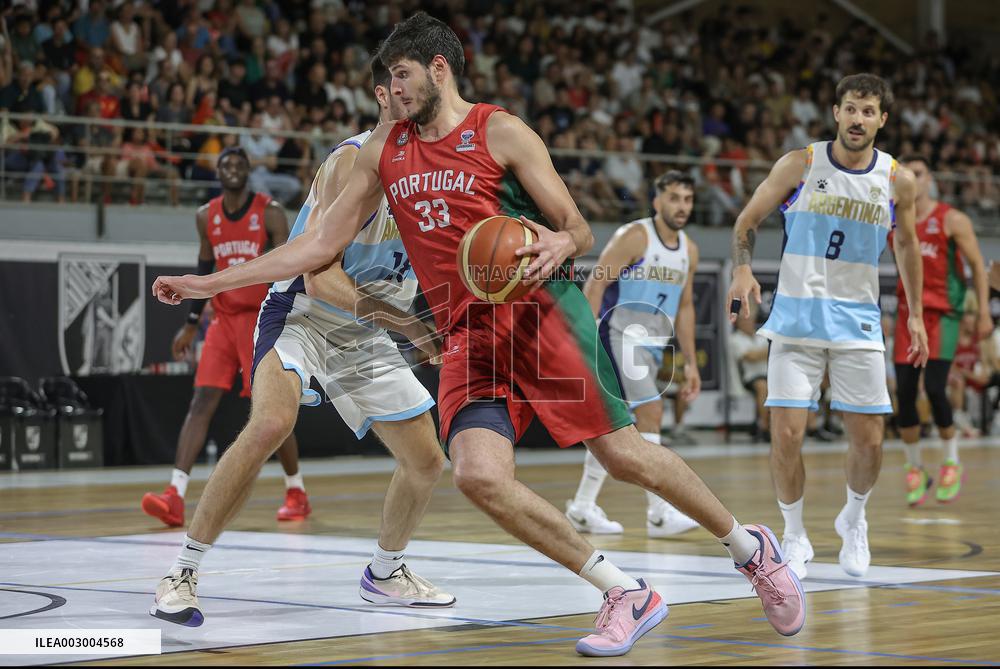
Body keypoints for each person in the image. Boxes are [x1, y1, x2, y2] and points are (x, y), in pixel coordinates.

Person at [153, 13, 804, 656]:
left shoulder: (501, 131)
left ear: (439, 69)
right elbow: (317, 248)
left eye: (402, 75)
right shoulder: (381, 153)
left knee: (623, 456)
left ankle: (750, 549)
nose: (394, 91)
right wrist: (211, 283)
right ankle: (622, 590)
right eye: (387, 80)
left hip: (540, 310)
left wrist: (559, 241)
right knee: (475, 473)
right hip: (465, 329)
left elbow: (576, 228)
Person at [148, 57, 453, 628]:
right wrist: (409, 325)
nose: (412, 98)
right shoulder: (352, 162)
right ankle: (182, 570)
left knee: (426, 461)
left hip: (368, 328)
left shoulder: (439, 171)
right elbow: (321, 277)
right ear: (381, 96)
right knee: (269, 423)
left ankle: (386, 573)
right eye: (400, 86)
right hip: (306, 314)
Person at [727, 73, 930, 581]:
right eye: (850, 108)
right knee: (787, 436)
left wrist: (918, 314)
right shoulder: (800, 163)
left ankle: (853, 519)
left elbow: (905, 246)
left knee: (870, 441)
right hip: (795, 319)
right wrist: (742, 267)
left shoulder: (897, 180)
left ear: (883, 119)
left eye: (868, 111)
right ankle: (793, 534)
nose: (858, 119)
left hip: (856, 322)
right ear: (836, 112)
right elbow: (746, 220)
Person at [140, 147, 310, 528]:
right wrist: (190, 322)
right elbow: (204, 264)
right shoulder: (206, 216)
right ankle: (175, 494)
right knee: (201, 400)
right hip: (223, 318)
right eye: (225, 164)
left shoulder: (270, 212)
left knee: (273, 411)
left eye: (238, 164)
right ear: (217, 172)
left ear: (248, 172)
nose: (232, 169)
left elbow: (289, 263)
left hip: (261, 317)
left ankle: (296, 490)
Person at [564, 170, 701, 538]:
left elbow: (685, 308)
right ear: (657, 201)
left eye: (687, 199)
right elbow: (596, 284)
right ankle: (659, 514)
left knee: (611, 424)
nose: (681, 206)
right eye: (674, 198)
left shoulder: (689, 250)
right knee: (651, 411)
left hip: (651, 342)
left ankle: (581, 506)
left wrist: (688, 361)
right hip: (617, 332)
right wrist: (586, 342)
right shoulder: (635, 235)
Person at [892, 155, 991, 506]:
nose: (912, 179)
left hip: (943, 315)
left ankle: (952, 459)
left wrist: (980, 312)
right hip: (907, 313)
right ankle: (915, 468)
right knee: (904, 393)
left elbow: (979, 265)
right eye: (906, 174)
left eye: (918, 173)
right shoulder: (894, 219)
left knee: (935, 388)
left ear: (929, 178)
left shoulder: (951, 219)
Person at [730, 302, 770, 442]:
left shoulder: (761, 336)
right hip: (749, 378)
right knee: (762, 386)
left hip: (769, 375)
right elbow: (750, 357)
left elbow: (768, 353)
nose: (748, 322)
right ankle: (764, 428)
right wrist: (765, 353)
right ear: (738, 323)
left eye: (750, 319)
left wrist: (759, 354)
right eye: (744, 320)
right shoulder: (735, 339)